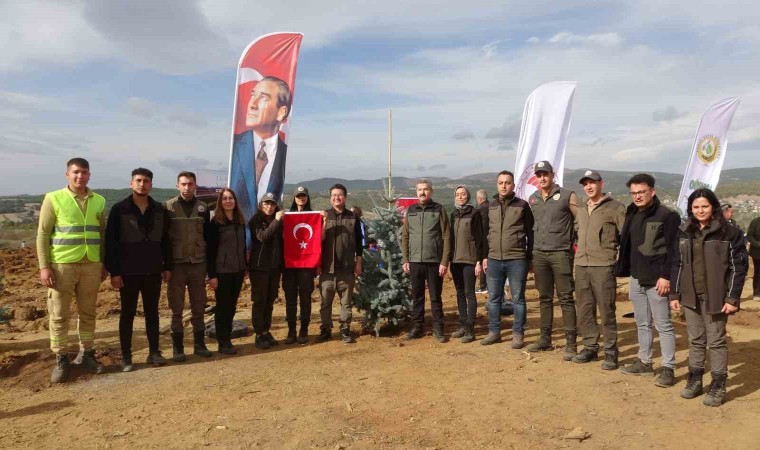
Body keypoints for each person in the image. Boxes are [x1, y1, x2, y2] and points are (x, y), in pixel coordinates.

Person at [671, 188, 747, 407]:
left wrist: (732, 298)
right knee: (695, 340)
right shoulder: (684, 231)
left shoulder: (729, 233)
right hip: (690, 295)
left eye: (704, 206)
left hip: (716, 297)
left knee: (716, 341)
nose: (700, 210)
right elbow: (677, 264)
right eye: (696, 207)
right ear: (690, 209)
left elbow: (738, 268)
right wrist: (675, 294)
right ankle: (695, 380)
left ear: (713, 207)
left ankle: (718, 385)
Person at [37, 157, 106, 383]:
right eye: (76, 172)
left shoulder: (99, 200)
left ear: (89, 175)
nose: (80, 176)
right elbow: (43, 234)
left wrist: (103, 262)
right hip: (62, 266)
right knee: (59, 315)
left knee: (88, 313)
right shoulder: (53, 198)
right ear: (67, 174)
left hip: (91, 265)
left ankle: (87, 353)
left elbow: (102, 234)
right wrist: (44, 267)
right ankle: (61, 358)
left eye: (84, 172)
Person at [615, 173, 679, 388]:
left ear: (652, 191)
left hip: (657, 280)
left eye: (641, 192)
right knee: (642, 323)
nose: (637, 196)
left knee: (663, 325)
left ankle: (668, 368)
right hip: (636, 277)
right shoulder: (632, 213)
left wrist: (666, 276)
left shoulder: (667, 216)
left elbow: (673, 250)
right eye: (633, 193)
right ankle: (645, 362)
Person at [104, 167, 171, 372]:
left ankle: (154, 352)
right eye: (139, 180)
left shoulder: (159, 210)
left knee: (152, 313)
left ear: (151, 184)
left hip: (153, 270)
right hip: (128, 272)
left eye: (146, 181)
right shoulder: (119, 209)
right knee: (128, 314)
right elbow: (110, 243)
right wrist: (114, 272)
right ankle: (126, 357)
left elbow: (166, 241)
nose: (142, 184)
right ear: (131, 183)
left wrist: (167, 266)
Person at [571, 170, 626, 370]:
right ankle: (590, 347)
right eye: (585, 184)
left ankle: (611, 352)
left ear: (601, 183)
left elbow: (625, 237)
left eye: (592, 182)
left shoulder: (615, 208)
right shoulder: (581, 209)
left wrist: (619, 262)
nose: (589, 187)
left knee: (607, 311)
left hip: (603, 266)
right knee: (585, 310)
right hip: (581, 266)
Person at [525, 161, 579, 360]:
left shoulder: (567, 195)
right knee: (544, 297)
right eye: (539, 175)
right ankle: (545, 339)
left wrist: (576, 243)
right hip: (539, 254)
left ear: (552, 174)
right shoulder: (533, 198)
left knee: (565, 298)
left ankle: (571, 343)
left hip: (560, 253)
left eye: (545, 174)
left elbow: (580, 220)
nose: (542, 178)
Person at [482, 171, 533, 348]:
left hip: (517, 259)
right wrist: (484, 256)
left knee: (518, 299)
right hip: (494, 259)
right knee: (493, 299)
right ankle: (494, 332)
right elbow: (485, 233)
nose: (504, 186)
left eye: (507, 183)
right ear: (497, 185)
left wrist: (529, 257)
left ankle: (518, 334)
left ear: (513, 185)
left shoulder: (522, 205)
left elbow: (530, 233)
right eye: (501, 183)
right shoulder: (490, 206)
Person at [165, 171, 213, 361]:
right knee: (176, 308)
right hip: (176, 265)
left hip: (198, 264)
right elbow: (164, 238)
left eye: (190, 184)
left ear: (195, 186)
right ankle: (178, 348)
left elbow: (207, 236)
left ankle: (199, 345)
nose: (187, 187)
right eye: (183, 184)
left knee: (198, 306)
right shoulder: (168, 207)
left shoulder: (203, 208)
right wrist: (165, 266)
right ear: (177, 185)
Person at [230, 76, 292, 221]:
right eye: (253, 95)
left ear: (281, 112)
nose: (252, 104)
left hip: (268, 230)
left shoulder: (285, 153)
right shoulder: (235, 146)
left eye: (263, 98)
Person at [402, 179, 451, 343]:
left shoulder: (439, 209)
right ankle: (417, 327)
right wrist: (406, 258)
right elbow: (405, 236)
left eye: (425, 189)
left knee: (435, 297)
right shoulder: (411, 210)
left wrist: (444, 261)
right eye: (419, 190)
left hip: (434, 261)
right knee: (417, 296)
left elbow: (446, 236)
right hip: (415, 261)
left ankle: (438, 328)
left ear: (431, 191)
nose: (422, 192)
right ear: (416, 192)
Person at [318, 183, 363, 344]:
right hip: (327, 269)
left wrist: (359, 262)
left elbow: (359, 242)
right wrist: (323, 222)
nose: (337, 198)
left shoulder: (353, 217)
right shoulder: (324, 216)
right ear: (330, 198)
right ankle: (325, 330)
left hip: (347, 268)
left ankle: (345, 329)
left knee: (346, 303)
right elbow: (319, 240)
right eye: (334, 195)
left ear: (345, 197)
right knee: (325, 303)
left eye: (340, 195)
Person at [207, 188, 247, 355]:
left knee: (231, 307)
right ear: (220, 202)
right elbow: (210, 251)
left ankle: (228, 337)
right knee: (222, 307)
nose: (228, 201)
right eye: (224, 198)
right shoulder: (215, 223)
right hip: (222, 272)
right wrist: (212, 275)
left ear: (235, 201)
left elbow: (242, 246)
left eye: (231, 198)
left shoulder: (240, 221)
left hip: (238, 270)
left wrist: (244, 267)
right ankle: (222, 342)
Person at [249, 192, 284, 349]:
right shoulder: (256, 221)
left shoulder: (279, 221)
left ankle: (265, 330)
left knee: (270, 301)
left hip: (274, 267)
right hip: (259, 268)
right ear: (261, 205)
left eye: (272, 204)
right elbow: (263, 237)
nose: (269, 206)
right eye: (266, 203)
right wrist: (276, 221)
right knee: (260, 301)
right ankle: (258, 334)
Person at [449, 186, 484, 343]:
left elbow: (480, 238)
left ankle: (470, 328)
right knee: (460, 293)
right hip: (455, 261)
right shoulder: (453, 214)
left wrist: (478, 261)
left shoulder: (474, 213)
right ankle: (462, 324)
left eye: (463, 194)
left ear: (467, 196)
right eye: (457, 194)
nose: (460, 197)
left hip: (470, 260)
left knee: (470, 294)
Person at [282, 186, 316, 344]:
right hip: (289, 265)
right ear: (294, 198)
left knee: (305, 299)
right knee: (290, 299)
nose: (301, 198)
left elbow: (319, 240)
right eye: (298, 196)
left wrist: (322, 221)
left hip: (307, 266)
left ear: (308, 198)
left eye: (303, 196)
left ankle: (304, 329)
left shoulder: (314, 217)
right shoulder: (287, 217)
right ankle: (291, 330)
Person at [476, 189, 489, 294]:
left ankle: (484, 286)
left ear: (479, 199)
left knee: (482, 261)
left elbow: (482, 227)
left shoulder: (480, 210)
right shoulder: (492, 206)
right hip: (493, 238)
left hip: (484, 239)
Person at [746, 216, 760, 300]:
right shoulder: (755, 222)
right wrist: (758, 244)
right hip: (757, 253)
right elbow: (749, 236)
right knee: (758, 273)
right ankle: (757, 293)